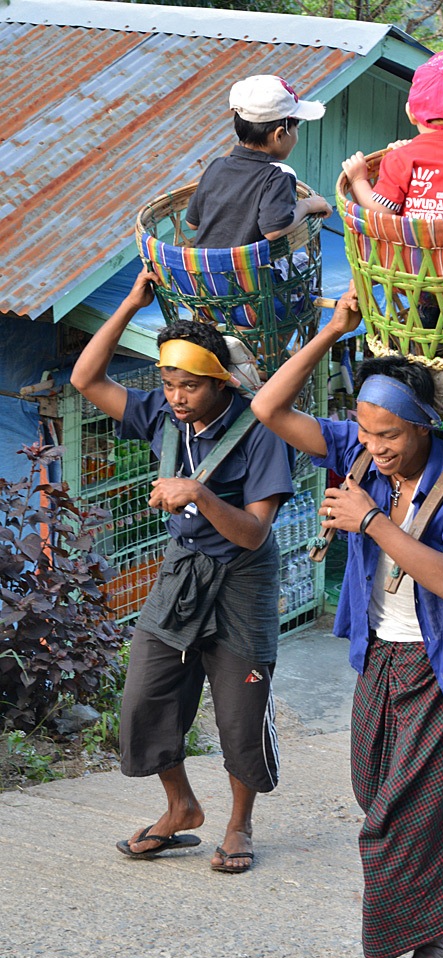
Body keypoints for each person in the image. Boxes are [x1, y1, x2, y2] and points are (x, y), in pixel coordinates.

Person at [251, 285, 443, 958]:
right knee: (373, 790)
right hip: (379, 661)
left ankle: (425, 943)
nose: (374, 447)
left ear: (422, 426)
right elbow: (268, 409)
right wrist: (331, 333)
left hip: (440, 666)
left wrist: (372, 522)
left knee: (398, 817)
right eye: (364, 432)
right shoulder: (357, 454)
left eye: (388, 435)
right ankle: (424, 916)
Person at [71, 268, 295, 873]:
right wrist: (129, 303)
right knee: (145, 694)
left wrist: (198, 493)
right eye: (170, 383)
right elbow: (85, 378)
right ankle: (181, 807)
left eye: (190, 386)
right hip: (182, 570)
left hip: (243, 577)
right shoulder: (159, 417)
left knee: (239, 708)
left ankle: (239, 824)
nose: (176, 397)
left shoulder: (260, 431)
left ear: (220, 381)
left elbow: (253, 532)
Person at [185, 74, 332, 248]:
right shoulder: (279, 174)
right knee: (300, 262)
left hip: (203, 268)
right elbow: (275, 229)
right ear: (279, 135)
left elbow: (192, 223)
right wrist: (307, 205)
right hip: (249, 273)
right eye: (296, 129)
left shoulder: (217, 165)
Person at [341, 49, 443, 222]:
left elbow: (381, 213)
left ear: (410, 113)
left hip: (413, 248)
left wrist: (358, 179)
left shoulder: (400, 158)